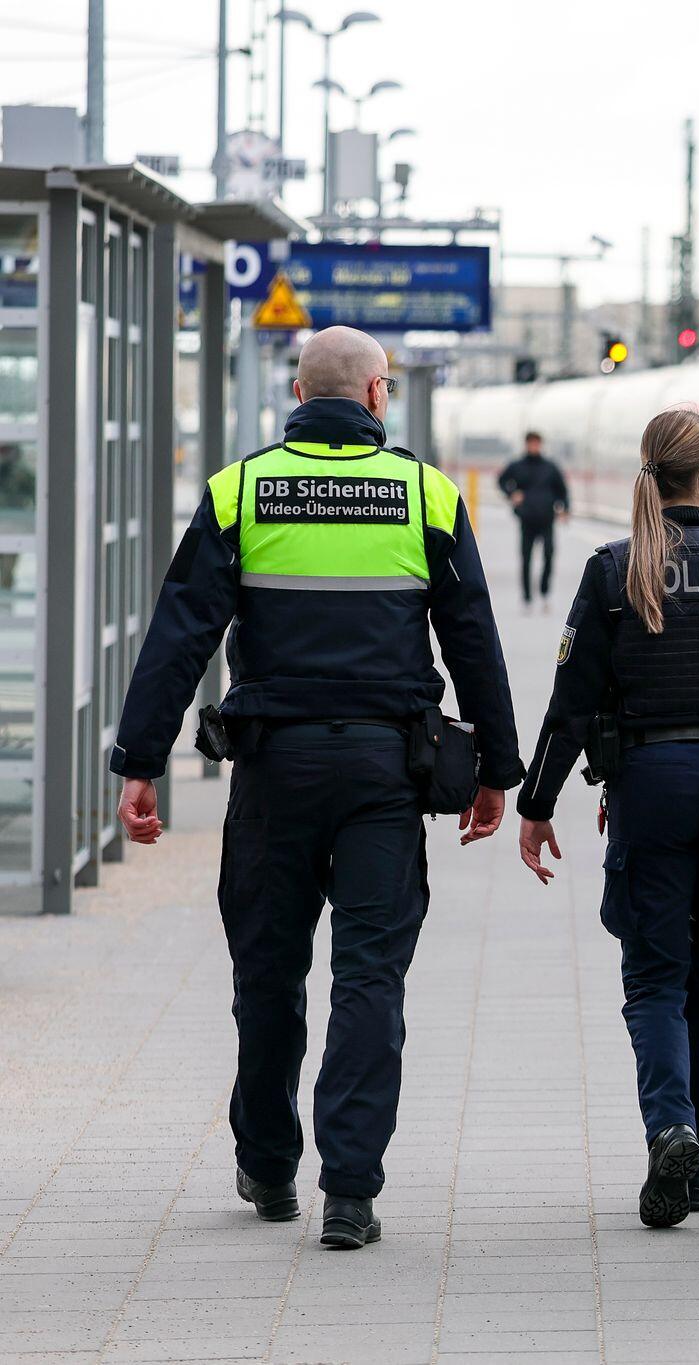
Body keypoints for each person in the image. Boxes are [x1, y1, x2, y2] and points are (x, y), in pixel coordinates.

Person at [109, 325, 522, 1250]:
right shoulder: (427, 493)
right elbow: (474, 638)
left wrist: (141, 759)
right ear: (377, 395)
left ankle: (267, 1166)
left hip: (274, 771)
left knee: (268, 970)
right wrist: (497, 768)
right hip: (386, 772)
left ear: (298, 394)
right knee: (369, 974)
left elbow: (180, 635)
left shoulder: (241, 490)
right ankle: (350, 1191)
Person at [515, 408, 699, 1229]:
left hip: (654, 784)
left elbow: (570, 704)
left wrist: (536, 803)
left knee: (656, 975)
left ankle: (672, 1127)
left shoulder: (615, 569)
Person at [499, 431, 571, 608]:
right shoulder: (517, 466)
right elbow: (501, 480)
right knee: (526, 558)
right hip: (527, 518)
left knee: (549, 554)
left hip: (547, 519)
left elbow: (562, 490)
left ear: (540, 444)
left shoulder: (550, 467)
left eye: (536, 443)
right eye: (531, 443)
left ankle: (544, 591)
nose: (534, 446)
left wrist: (565, 509)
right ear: (526, 444)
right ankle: (527, 597)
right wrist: (512, 494)